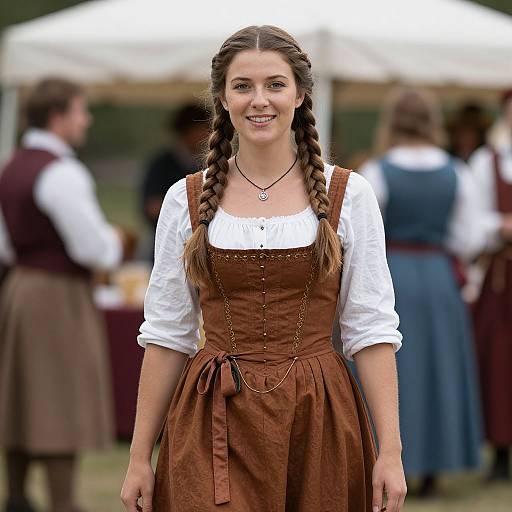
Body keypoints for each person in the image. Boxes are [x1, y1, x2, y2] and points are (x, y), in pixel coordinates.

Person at [121, 26, 406, 512]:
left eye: (275, 84)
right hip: (212, 414)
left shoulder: (348, 196)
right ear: (222, 99)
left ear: (300, 95)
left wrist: (391, 452)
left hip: (318, 416)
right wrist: (138, 456)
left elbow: (371, 330)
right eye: (243, 86)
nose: (260, 101)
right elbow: (168, 335)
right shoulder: (185, 199)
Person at [0, 78, 125, 512]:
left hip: (18, 288)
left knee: (20, 395)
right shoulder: (61, 171)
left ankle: (15, 497)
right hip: (56, 294)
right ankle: (63, 503)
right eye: (80, 110)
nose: (85, 119)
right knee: (56, 397)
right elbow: (92, 248)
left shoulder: (12, 165)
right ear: (58, 117)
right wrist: (113, 242)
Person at [360, 88, 484, 497]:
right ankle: (432, 466)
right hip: (438, 279)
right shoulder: (456, 172)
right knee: (436, 369)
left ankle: (395, 459)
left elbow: (366, 234)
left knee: (395, 368)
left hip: (391, 275)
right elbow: (467, 238)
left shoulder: (377, 172)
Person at [469, 88, 512, 481]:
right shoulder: (487, 161)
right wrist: (499, 226)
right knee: (499, 362)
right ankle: (500, 453)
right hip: (502, 278)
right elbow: (472, 217)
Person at [140, 103, 209, 234]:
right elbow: (152, 207)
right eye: (201, 129)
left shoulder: (210, 163)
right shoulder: (160, 164)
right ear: (187, 131)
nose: (206, 135)